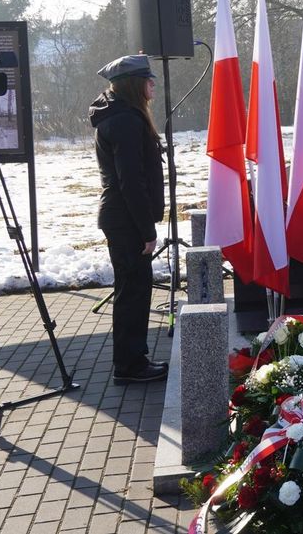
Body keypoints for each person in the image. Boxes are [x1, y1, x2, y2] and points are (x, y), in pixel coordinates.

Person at [89, 54, 168, 384]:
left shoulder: (121, 115)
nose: (153, 85)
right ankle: (130, 365)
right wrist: (147, 230)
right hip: (126, 220)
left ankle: (133, 359)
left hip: (123, 218)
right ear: (135, 85)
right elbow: (130, 181)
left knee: (133, 289)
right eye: (148, 80)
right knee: (133, 292)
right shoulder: (125, 120)